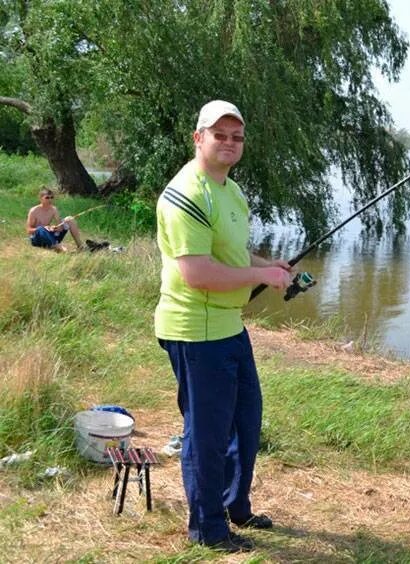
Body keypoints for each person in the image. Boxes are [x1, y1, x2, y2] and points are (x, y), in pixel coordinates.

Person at [154, 100, 292, 552]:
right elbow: (198, 273)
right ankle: (209, 529)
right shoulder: (185, 195)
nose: (229, 143)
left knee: (246, 422)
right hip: (195, 331)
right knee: (207, 434)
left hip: (229, 327)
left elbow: (229, 258)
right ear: (199, 138)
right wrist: (261, 277)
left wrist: (264, 264)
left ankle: (236, 504)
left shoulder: (230, 190)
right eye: (220, 135)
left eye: (237, 137)